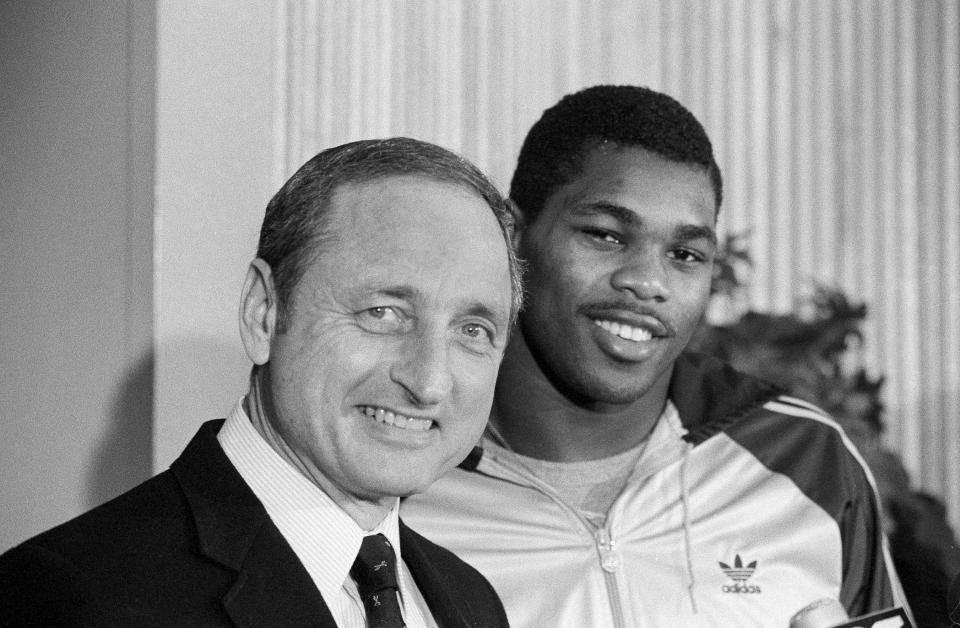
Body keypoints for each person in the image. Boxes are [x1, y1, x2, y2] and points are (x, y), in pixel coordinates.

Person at [402, 86, 910, 626]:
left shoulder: (807, 461)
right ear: (514, 237)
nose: (648, 282)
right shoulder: (404, 470)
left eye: (685, 254)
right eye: (605, 235)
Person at [0, 137, 520, 627]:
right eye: (382, 312)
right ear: (264, 313)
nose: (428, 380)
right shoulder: (73, 597)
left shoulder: (470, 599)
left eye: (472, 330)